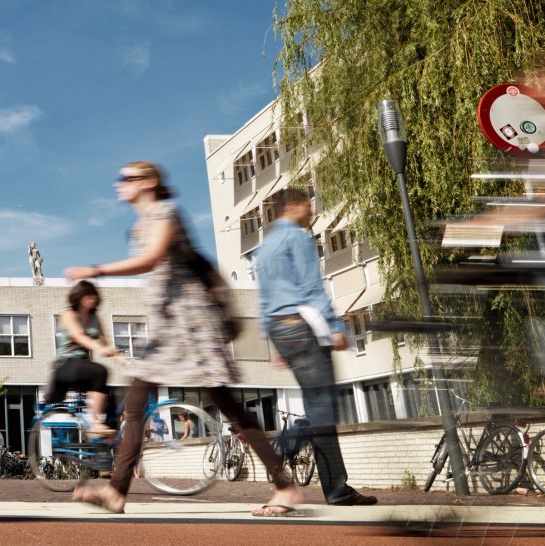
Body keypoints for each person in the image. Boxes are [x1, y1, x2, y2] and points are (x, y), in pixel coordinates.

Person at [65, 161, 303, 517]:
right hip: (165, 330)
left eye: (127, 178)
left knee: (227, 404)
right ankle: (116, 491)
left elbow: (153, 258)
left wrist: (97, 269)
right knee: (134, 405)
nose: (119, 184)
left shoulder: (165, 212)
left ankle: (285, 486)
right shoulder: (138, 227)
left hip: (192, 326)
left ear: (149, 182)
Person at [254, 187, 378, 507]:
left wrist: (274, 345)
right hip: (303, 327)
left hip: (281, 329)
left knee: (317, 405)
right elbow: (311, 288)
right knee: (324, 408)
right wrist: (335, 327)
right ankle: (330, 483)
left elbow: (264, 300)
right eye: (308, 205)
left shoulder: (264, 247)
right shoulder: (297, 238)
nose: (311, 211)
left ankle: (322, 474)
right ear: (292, 206)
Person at [48, 280, 118, 437]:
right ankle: (94, 423)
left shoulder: (95, 318)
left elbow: (104, 342)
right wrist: (100, 348)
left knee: (111, 404)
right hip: (66, 365)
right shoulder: (68, 315)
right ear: (79, 297)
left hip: (84, 367)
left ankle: (105, 452)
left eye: (94, 297)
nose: (92, 300)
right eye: (88, 296)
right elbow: (78, 336)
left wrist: (119, 356)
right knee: (100, 371)